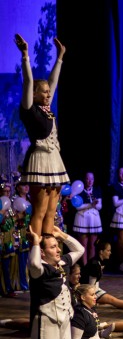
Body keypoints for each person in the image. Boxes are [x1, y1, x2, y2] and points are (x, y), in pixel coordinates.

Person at [14, 34, 69, 236]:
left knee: (51, 211)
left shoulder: (46, 108)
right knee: (39, 210)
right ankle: (36, 253)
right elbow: (28, 81)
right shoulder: (29, 109)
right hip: (39, 159)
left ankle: (48, 257)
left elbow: (54, 81)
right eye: (44, 92)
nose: (48, 94)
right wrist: (25, 55)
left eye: (48, 92)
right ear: (34, 94)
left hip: (55, 158)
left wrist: (60, 57)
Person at [0, 262, 81, 332]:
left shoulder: (75, 287)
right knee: (28, 325)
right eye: (77, 274)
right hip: (52, 319)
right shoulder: (61, 286)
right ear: (69, 274)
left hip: (66, 319)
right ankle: (4, 322)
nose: (79, 276)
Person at [72, 171, 103, 266]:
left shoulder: (97, 190)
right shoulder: (79, 190)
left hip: (94, 220)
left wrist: (96, 204)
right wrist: (90, 204)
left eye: (92, 179)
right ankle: (84, 267)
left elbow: (100, 206)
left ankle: (91, 267)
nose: (90, 181)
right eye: (88, 179)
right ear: (84, 180)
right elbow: (77, 206)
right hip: (82, 220)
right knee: (83, 246)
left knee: (92, 245)